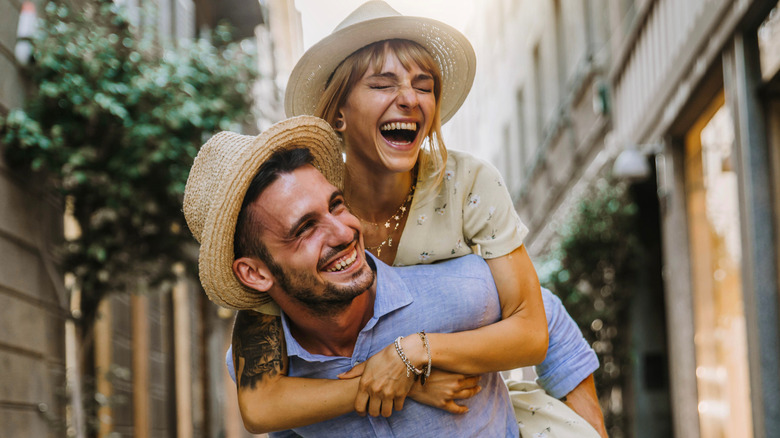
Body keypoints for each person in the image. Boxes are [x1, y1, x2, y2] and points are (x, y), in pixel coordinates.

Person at [261, 2, 609, 436]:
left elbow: (538, 322)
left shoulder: (468, 184)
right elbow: (263, 398)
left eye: (423, 86)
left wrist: (415, 352)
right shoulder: (309, 207)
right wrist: (408, 382)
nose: (409, 98)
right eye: (383, 83)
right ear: (338, 113)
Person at [183, 115, 595, 436]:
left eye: (337, 204)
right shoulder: (265, 368)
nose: (344, 232)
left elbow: (546, 316)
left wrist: (587, 430)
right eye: (305, 228)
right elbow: (268, 417)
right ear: (253, 273)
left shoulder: (458, 292)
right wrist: (405, 384)